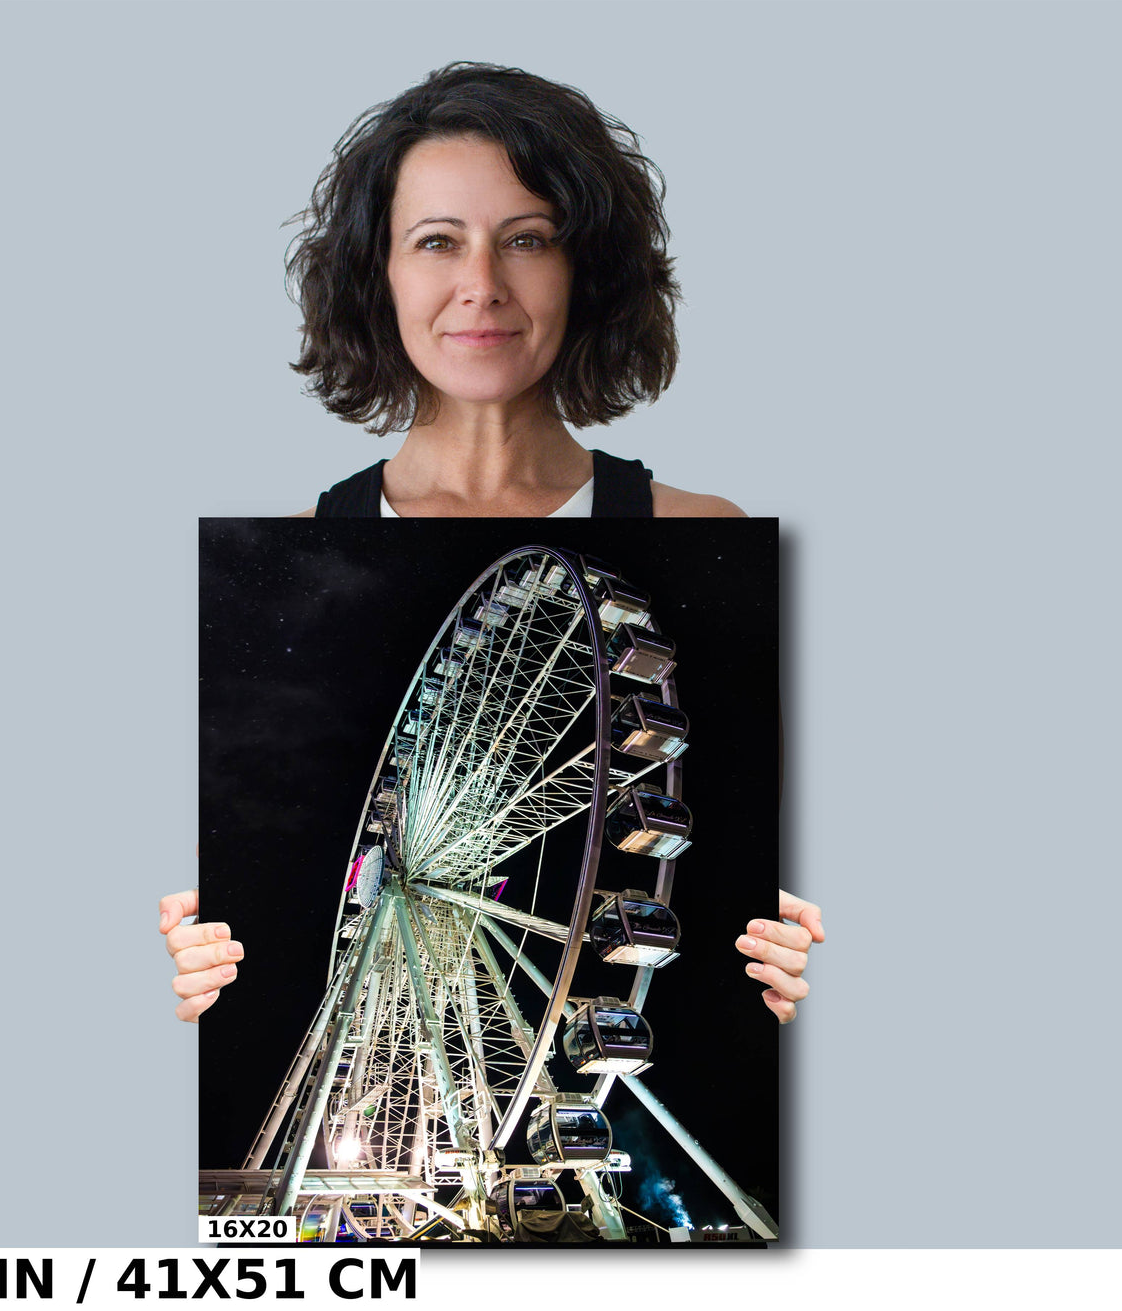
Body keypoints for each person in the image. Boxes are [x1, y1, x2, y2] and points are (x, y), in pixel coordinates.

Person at [163, 63, 824, 1025]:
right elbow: (183, 888)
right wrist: (179, 971)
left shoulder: (703, 528)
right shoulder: (295, 542)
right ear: (378, 274)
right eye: (436, 242)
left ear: (584, 271)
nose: (480, 285)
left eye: (528, 240)